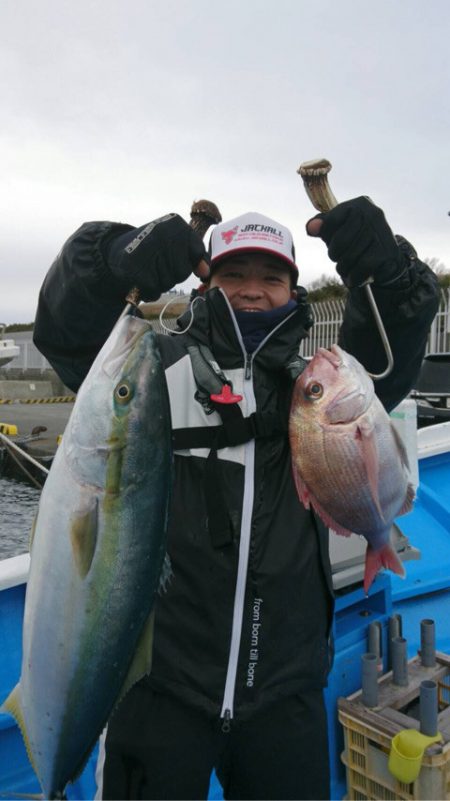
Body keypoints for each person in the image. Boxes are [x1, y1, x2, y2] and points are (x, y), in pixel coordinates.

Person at [34, 197, 440, 801]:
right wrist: (113, 261)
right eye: (234, 275)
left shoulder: (321, 385)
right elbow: (64, 333)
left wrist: (388, 273)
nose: (252, 291)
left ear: (294, 288)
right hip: (158, 690)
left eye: (271, 277)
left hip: (286, 691)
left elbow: (392, 346)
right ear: (207, 282)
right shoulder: (152, 371)